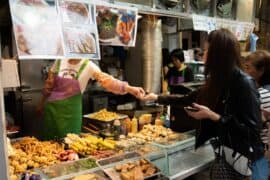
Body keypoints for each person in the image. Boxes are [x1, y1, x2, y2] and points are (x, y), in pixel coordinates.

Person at [143, 29, 268, 179]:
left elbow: (252, 132)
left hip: (245, 164)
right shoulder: (219, 80)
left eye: (207, 50)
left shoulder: (244, 84)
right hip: (225, 155)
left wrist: (213, 116)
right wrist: (156, 97)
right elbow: (188, 98)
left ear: (218, 54)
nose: (203, 55)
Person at [38, 59, 145, 140]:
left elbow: (108, 81)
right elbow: (49, 85)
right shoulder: (60, 60)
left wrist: (129, 88)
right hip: (51, 112)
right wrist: (41, 103)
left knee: (69, 146)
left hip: (70, 115)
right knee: (49, 146)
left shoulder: (89, 65)